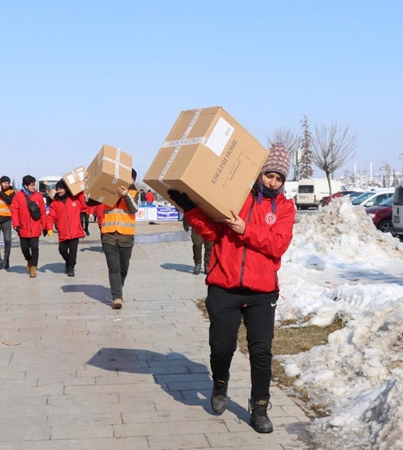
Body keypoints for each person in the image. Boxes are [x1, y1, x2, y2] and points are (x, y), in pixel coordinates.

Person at [168, 143, 295, 434]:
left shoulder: (285, 208)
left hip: (262, 292)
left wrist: (245, 229)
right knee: (221, 347)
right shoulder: (236, 198)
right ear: (260, 173)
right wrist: (190, 209)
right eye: (269, 175)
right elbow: (213, 232)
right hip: (224, 287)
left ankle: (260, 406)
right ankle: (220, 383)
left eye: (278, 178)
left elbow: (278, 244)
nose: (272, 182)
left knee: (261, 351)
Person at [93, 169, 139, 309]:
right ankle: (117, 297)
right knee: (114, 268)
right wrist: (89, 182)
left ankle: (118, 288)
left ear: (132, 180)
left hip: (126, 236)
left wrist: (126, 196)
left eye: (128, 178)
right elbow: (90, 200)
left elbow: (134, 209)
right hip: (108, 235)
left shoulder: (134, 194)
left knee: (123, 269)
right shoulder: (108, 191)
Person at [46, 180, 87, 277]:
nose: (59, 191)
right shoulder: (55, 203)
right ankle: (68, 262)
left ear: (66, 189)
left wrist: (80, 191)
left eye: (61, 189)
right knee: (62, 250)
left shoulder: (75, 200)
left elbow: (84, 206)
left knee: (73, 251)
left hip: (75, 230)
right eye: (57, 189)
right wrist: (49, 227)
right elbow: (51, 216)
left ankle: (71, 268)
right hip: (63, 231)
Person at [11, 175, 47, 278]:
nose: (33, 187)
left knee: (35, 248)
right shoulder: (18, 196)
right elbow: (15, 211)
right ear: (25, 186)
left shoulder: (38, 196)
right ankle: (29, 260)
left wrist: (45, 225)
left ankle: (33, 268)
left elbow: (43, 212)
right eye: (31, 185)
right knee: (25, 249)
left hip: (35, 227)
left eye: (34, 185)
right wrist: (16, 224)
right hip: (23, 228)